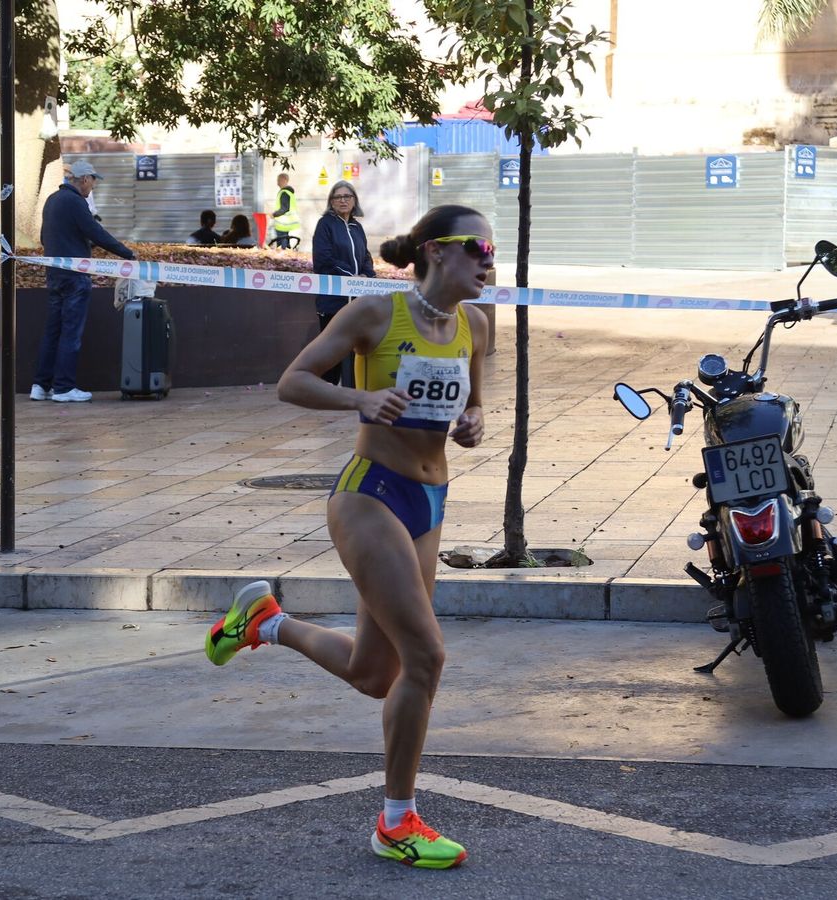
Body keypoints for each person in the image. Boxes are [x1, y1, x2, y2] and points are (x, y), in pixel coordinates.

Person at [205, 204, 492, 870]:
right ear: (436, 250)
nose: (489, 259)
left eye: (492, 249)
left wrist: (473, 420)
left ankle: (266, 622)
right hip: (370, 496)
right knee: (426, 657)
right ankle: (396, 823)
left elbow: (473, 402)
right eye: (478, 246)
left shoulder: (474, 325)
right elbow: (293, 382)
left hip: (430, 501)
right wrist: (358, 399)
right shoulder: (375, 314)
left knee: (374, 673)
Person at [31, 159, 136, 403]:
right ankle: (64, 387)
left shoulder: (52, 200)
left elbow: (45, 237)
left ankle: (41, 385)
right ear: (85, 179)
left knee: (53, 331)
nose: (93, 187)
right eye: (93, 181)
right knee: (71, 332)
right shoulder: (76, 202)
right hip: (75, 277)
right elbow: (96, 233)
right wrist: (127, 254)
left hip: (54, 273)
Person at [310, 180, 375, 387]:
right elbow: (323, 260)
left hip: (356, 300)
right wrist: (350, 276)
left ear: (354, 200)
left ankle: (354, 392)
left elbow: (365, 257)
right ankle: (324, 393)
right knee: (331, 353)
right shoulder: (325, 224)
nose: (343, 200)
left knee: (357, 352)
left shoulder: (357, 227)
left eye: (347, 196)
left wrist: (366, 275)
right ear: (331, 201)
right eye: (338, 197)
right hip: (333, 300)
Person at [270, 172, 300, 249]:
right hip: (287, 224)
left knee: (282, 247)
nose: (277, 183)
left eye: (278, 180)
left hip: (283, 224)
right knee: (286, 245)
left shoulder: (284, 193)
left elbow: (284, 208)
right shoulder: (289, 192)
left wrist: (274, 214)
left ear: (284, 180)